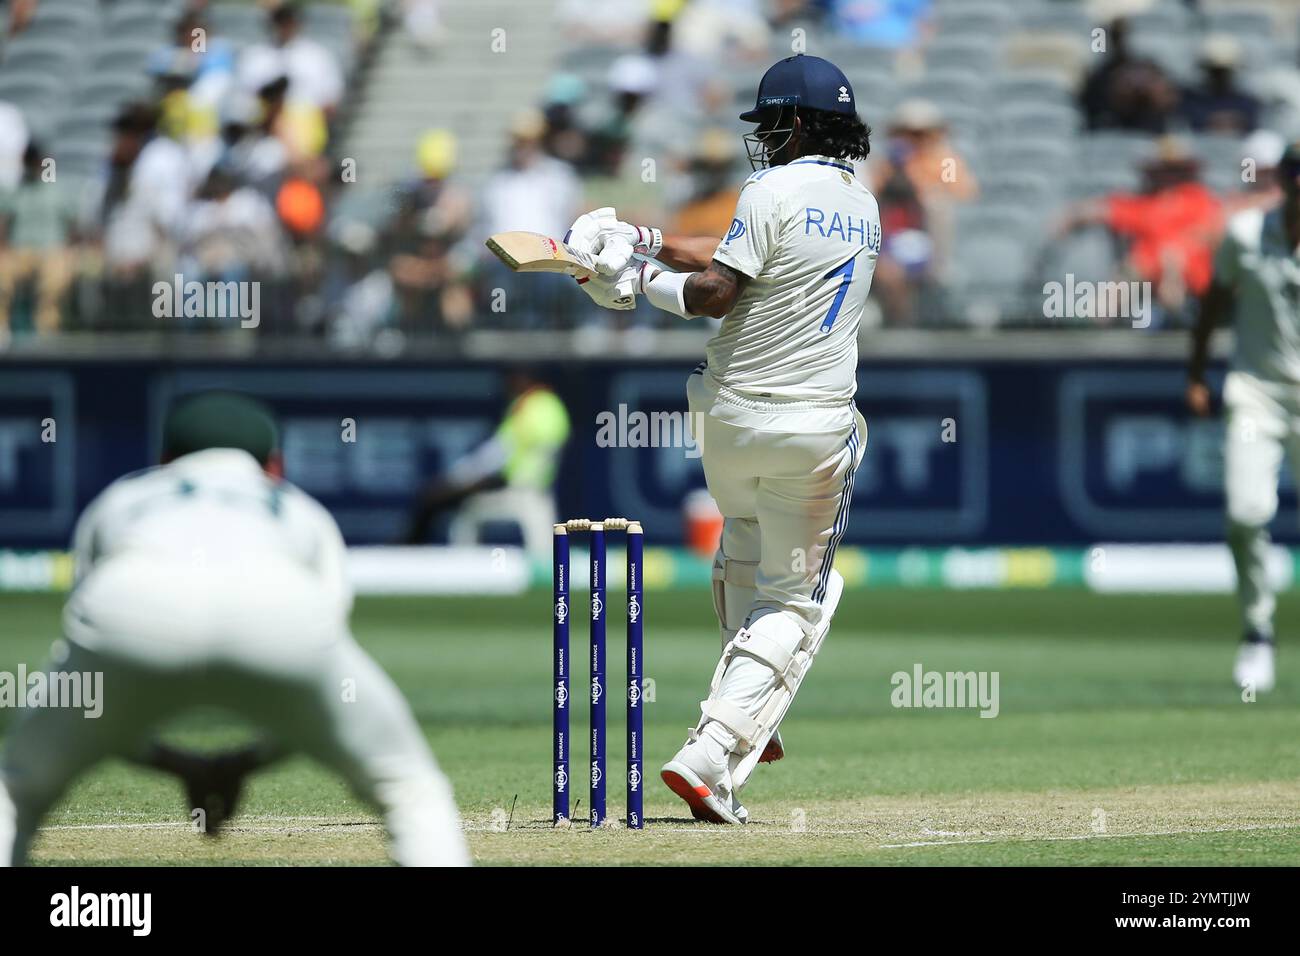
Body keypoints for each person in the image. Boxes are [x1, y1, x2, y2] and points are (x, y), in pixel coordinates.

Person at [566, 54, 877, 823]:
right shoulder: (864, 204)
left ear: (798, 123)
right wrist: (643, 239)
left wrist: (634, 280)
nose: (764, 137)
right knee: (801, 596)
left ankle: (752, 699)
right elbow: (729, 261)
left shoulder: (768, 190)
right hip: (812, 428)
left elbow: (714, 292)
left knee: (744, 540)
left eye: (772, 121)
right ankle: (717, 747)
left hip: (728, 425)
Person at [0, 393, 469, 866]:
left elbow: (94, 679)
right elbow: (320, 680)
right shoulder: (296, 506)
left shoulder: (123, 497)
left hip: (132, 602)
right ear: (274, 466)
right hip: (279, 608)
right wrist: (244, 764)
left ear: (165, 462)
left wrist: (178, 765)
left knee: (14, 789)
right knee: (410, 790)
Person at [1187, 142, 1300, 696]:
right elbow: (1212, 302)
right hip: (1258, 394)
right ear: (1285, 179)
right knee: (1246, 513)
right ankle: (1258, 632)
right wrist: (1196, 374)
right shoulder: (1248, 233)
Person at [404, 369, 570, 558]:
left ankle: (458, 563)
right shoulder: (552, 405)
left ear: (524, 380)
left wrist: (458, 477)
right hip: (534, 488)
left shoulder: (528, 406)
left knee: (463, 509)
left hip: (518, 488)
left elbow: (498, 452)